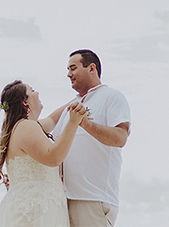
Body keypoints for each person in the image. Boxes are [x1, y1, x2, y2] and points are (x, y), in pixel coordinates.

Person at [39, 50, 131, 227]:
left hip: (92, 199)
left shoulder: (112, 97)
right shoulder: (71, 106)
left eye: (73, 68)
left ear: (91, 68)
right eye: (68, 69)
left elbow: (120, 138)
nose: (68, 74)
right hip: (63, 199)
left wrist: (86, 125)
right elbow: (52, 142)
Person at [0, 80, 87, 227]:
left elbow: (52, 119)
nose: (37, 93)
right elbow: (53, 157)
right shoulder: (26, 126)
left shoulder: (23, 127)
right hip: (37, 212)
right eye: (32, 90)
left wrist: (80, 98)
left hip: (37, 208)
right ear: (25, 102)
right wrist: (73, 122)